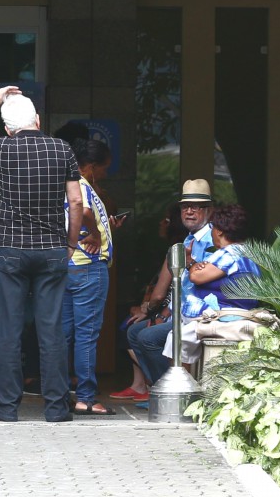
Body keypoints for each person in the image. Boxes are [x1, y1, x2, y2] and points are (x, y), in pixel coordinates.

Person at [0, 86, 83, 423]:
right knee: (51, 331)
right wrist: (71, 243)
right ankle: (56, 409)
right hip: (52, 250)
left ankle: (6, 408)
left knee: (9, 331)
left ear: (6, 128)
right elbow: (76, 201)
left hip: (11, 250)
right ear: (38, 120)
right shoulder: (62, 148)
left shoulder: (3, 147)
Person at [112, 180, 214, 405]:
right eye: (185, 206)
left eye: (195, 207)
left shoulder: (211, 240)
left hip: (201, 315)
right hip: (181, 313)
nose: (189, 211)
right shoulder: (190, 238)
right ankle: (161, 391)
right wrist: (164, 313)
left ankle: (173, 396)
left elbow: (204, 278)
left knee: (147, 337)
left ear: (208, 210)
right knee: (133, 332)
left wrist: (160, 313)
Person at [64, 131, 116, 416]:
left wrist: (105, 226)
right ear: (92, 166)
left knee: (64, 334)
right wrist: (96, 231)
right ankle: (85, 397)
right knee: (86, 335)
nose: (105, 173)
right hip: (88, 267)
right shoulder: (80, 184)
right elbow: (83, 211)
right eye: (104, 168)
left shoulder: (65, 182)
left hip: (69, 266)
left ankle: (61, 394)